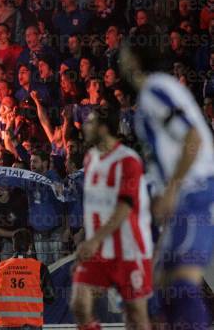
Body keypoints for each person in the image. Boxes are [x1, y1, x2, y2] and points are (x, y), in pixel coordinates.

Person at [119, 37, 214, 330]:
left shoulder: (154, 90)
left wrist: (172, 189)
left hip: (194, 191)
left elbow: (193, 138)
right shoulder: (155, 92)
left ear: (134, 59)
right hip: (185, 194)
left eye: (124, 54)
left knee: (180, 281)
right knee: (163, 285)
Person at [70, 107, 152, 330]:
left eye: (90, 123)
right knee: (80, 305)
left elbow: (124, 207)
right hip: (98, 248)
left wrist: (94, 240)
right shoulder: (90, 159)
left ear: (104, 128)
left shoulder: (128, 160)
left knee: (135, 315)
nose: (85, 127)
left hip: (129, 248)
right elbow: (94, 208)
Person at [0, 228, 54, 330]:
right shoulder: (40, 268)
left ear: (14, 246)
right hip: (31, 325)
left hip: (5, 325)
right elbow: (50, 297)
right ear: (30, 246)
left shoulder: (0, 268)